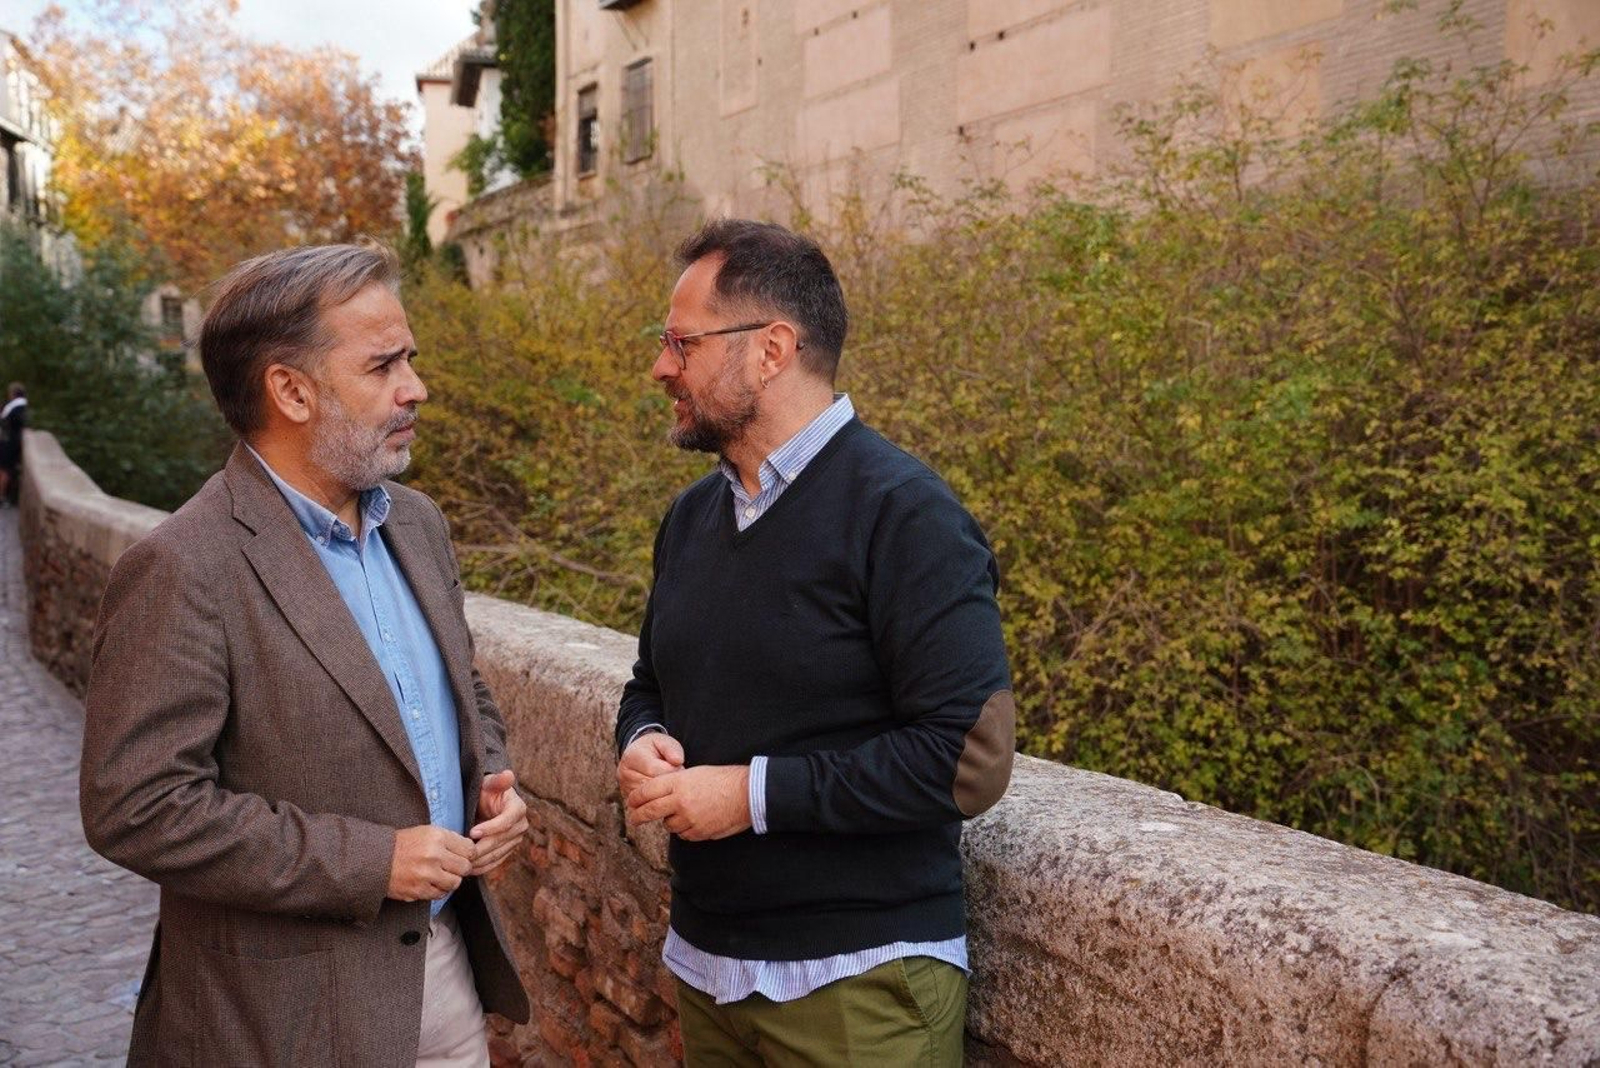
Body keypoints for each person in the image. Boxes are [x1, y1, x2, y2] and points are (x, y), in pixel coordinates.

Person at [80, 244, 530, 1067]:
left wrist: (487, 783)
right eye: (384, 364)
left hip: (445, 979)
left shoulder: (417, 524)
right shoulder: (184, 567)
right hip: (277, 1019)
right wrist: (371, 861)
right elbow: (135, 807)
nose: (415, 387)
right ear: (289, 390)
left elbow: (460, 687)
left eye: (411, 359)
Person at [616, 220, 1015, 1065]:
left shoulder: (906, 514)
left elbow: (967, 760)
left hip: (858, 991)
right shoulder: (691, 519)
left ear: (772, 349)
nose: (661, 367)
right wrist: (643, 739)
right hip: (708, 971)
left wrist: (750, 797)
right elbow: (651, 680)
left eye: (680, 342)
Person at [0, 382, 26, 506]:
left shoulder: (12, 408)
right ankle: (4, 496)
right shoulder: (21, 407)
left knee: (5, 469)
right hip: (11, 441)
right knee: (7, 470)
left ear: (13, 394)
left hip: (7, 441)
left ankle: (2, 495)